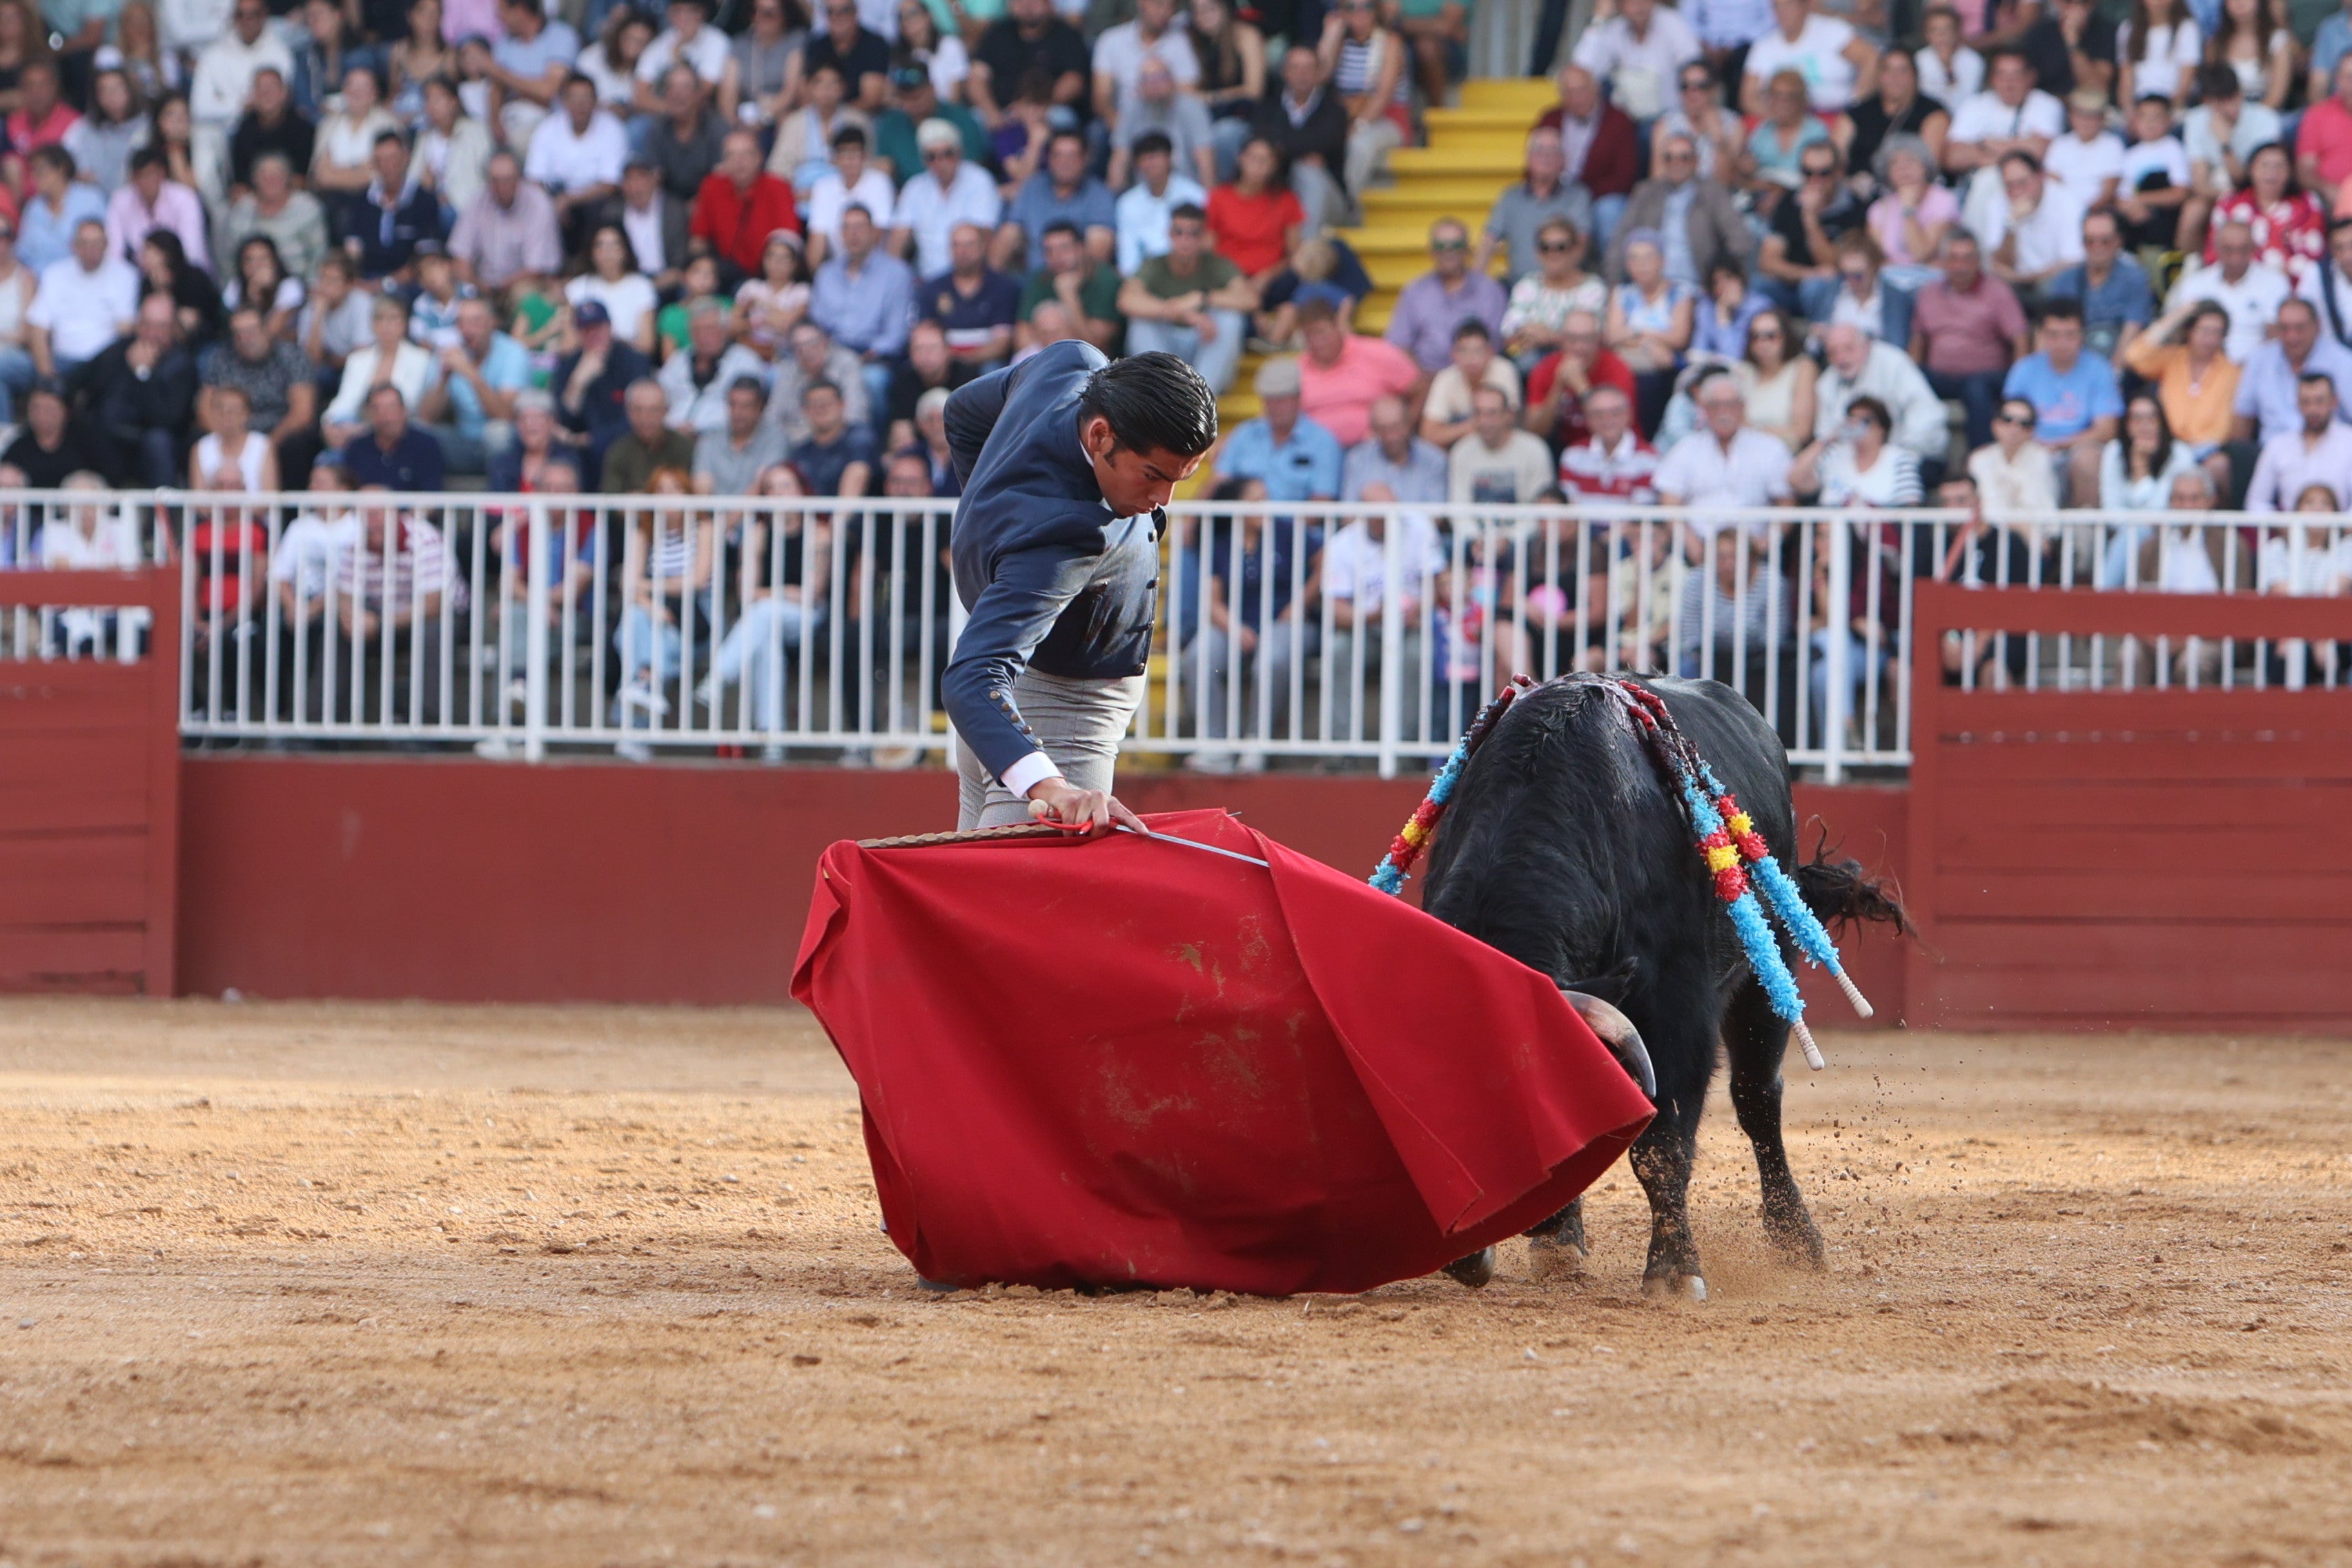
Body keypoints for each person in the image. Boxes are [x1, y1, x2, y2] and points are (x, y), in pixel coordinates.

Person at [941, 344, 1217, 832]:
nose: (1162, 502)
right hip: (1058, 712)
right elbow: (971, 679)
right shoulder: (1059, 539)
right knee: (1023, 904)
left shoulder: (1072, 364)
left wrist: (998, 519)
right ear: (1099, 435)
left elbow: (962, 411)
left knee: (977, 890)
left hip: (1009, 703)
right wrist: (1052, 787)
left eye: (1181, 478)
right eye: (1153, 475)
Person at [1118, 202, 1255, 395]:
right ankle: (1162, 396)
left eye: (1194, 233)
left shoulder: (1218, 264)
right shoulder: (1154, 264)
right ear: (1169, 234)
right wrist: (1182, 313)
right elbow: (1126, 300)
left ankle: (1201, 398)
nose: (1186, 240)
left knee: (1231, 320)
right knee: (1140, 323)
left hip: (1205, 348)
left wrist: (1203, 297)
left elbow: (1250, 299)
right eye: (1179, 232)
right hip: (1166, 349)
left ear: (1204, 237)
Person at [1910, 230, 2030, 450]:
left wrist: (2018, 386)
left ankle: (1980, 458)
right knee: (1910, 380)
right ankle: (1920, 458)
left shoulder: (1997, 291)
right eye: (1953, 258)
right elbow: (1918, 340)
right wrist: (1912, 374)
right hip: (1942, 377)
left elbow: (2020, 338)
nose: (1960, 266)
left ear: (1978, 261)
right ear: (1943, 262)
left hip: (1986, 379)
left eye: (1967, 258)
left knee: (1976, 388)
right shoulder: (1929, 293)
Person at [1607, 130, 1751, 289]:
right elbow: (1620, 239)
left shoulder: (1712, 191)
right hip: (1649, 287)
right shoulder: (1646, 192)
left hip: (1698, 285)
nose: (1676, 163)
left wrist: (1720, 275)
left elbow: (1739, 238)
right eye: (1669, 158)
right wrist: (1615, 284)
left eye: (1684, 158)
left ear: (1696, 161)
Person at [809, 202, 912, 413]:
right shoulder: (826, 274)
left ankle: (871, 443)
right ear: (840, 234)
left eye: (860, 227)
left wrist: (864, 357)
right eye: (847, 227)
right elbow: (816, 325)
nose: (853, 234)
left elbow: (896, 334)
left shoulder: (896, 273)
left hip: (872, 358)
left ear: (874, 232)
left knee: (872, 381)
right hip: (830, 356)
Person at [1808, 320, 1948, 474]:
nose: (1841, 358)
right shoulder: (1826, 384)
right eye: (1833, 352)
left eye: (1848, 348)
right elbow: (1826, 435)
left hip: (1912, 455)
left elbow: (1925, 414)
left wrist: (1891, 457)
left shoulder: (1895, 363)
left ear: (1867, 345)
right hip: (1855, 466)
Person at [202, 304, 321, 483]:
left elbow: (302, 412)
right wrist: (225, 440)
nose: (245, 338)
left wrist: (265, 446)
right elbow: (205, 406)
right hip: (232, 429)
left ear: (265, 330)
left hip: (279, 432)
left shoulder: (291, 356)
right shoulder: (222, 358)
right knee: (197, 438)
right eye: (238, 333)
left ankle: (290, 511)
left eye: (251, 331)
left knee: (298, 444)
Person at [1653, 373, 1796, 519]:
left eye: (1731, 405)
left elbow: (1786, 502)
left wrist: (1764, 542)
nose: (1723, 412)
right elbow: (1669, 503)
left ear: (1742, 407)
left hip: (1753, 539)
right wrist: (1696, 543)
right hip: (1699, 539)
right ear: (1705, 409)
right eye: (1715, 405)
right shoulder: (1685, 449)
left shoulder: (1770, 448)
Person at [414, 295, 529, 471]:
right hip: (462, 439)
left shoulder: (513, 352)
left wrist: (470, 373)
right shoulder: (450, 353)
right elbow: (426, 417)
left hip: (504, 445)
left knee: (498, 432)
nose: (467, 330)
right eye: (461, 323)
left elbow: (505, 415)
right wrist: (443, 379)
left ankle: (499, 493)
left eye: (476, 322)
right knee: (418, 433)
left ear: (492, 323)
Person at [1320, 0, 1410, 218]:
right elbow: (1319, 76)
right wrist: (1329, 37)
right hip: (1346, 117)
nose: (1359, 13)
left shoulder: (1390, 42)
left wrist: (1358, 125)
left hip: (1387, 120)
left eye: (1366, 6)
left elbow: (1383, 95)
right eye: (1351, 7)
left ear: (1376, 11)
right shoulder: (1341, 43)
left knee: (1359, 144)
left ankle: (1346, 208)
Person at [1385, 218, 1509, 378]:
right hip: (1427, 377)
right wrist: (1423, 379)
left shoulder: (1490, 290)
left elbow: (1496, 344)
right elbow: (1399, 345)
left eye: (1455, 246)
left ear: (1467, 250)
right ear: (1431, 251)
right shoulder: (1415, 291)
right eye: (1441, 246)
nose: (1448, 252)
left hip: (1479, 378)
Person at [1536, 65, 1640, 250]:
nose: (1577, 98)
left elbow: (1625, 176)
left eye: (1582, 89)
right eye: (1570, 92)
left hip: (1599, 196)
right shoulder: (1549, 119)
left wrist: (1584, 195)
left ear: (1596, 89)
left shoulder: (1618, 120)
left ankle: (1612, 274)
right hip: (1557, 192)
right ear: (1561, 95)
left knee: (1610, 210)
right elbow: (1535, 161)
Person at [527, 72, 629, 259]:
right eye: (574, 98)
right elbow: (534, 179)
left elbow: (610, 185)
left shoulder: (612, 128)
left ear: (596, 101)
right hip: (555, 195)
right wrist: (554, 203)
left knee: (600, 210)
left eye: (586, 98)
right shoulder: (547, 128)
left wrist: (569, 200)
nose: (580, 104)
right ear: (564, 101)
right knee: (537, 207)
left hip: (594, 199)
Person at [1757, 139, 1865, 317]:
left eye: (1824, 173)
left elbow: (1835, 265)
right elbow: (1767, 262)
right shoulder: (1789, 203)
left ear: (1839, 172)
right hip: (1795, 283)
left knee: (1816, 286)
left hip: (1835, 291)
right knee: (1760, 285)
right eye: (1808, 173)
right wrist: (1808, 274)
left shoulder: (1854, 207)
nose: (1815, 181)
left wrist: (1810, 218)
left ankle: (1817, 340)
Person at [1247, 44, 1349, 231]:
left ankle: (1304, 254)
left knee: (1307, 172)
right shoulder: (1268, 107)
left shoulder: (1335, 110)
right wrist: (1301, 149)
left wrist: (1280, 148)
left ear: (1319, 73)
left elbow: (1326, 140)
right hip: (1279, 192)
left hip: (1330, 199)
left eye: (1309, 67)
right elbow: (1262, 141)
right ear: (1285, 72)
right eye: (1295, 67)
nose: (1302, 74)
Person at [1213, 355, 1342, 500]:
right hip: (1244, 520)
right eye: (1270, 400)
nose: (1275, 407)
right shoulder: (1244, 434)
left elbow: (1323, 500)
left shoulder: (1322, 442)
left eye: (1282, 400)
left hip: (1293, 522)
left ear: (1298, 398)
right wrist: (1189, 522)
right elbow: (1218, 483)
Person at [2206, 141, 2327, 290]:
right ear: (2251, 170)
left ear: (2290, 172)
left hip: (2294, 290)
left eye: (2279, 166)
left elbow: (2315, 254)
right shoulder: (2229, 203)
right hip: (2237, 285)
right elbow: (2214, 252)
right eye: (2264, 165)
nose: (2272, 172)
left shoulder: (2307, 204)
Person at [889, 117, 1000, 279]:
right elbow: (898, 239)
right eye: (932, 156)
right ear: (924, 160)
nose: (940, 162)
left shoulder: (980, 181)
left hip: (969, 277)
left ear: (959, 152)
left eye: (947, 154)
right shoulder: (914, 188)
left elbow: (985, 237)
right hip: (927, 281)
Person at [2231, 297, 2352, 445]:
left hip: (2328, 456)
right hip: (2271, 456)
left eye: (2300, 328)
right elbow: (2243, 417)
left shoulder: (2343, 362)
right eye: (2285, 328)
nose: (2292, 336)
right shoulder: (2260, 359)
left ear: (2317, 326)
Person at [2169, 218, 2292, 363]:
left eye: (2243, 249)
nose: (2236, 257)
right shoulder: (2196, 284)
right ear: (2216, 248)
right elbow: (2183, 335)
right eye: (2229, 250)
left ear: (2253, 248)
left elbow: (2277, 338)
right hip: (2205, 369)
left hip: (2256, 370)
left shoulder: (2275, 283)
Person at [997, 126, 1115, 274]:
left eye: (1072, 156)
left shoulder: (1099, 194)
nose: (1065, 163)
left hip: (1079, 279)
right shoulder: (1033, 186)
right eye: (1058, 156)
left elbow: (1098, 252)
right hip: (1033, 279)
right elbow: (1010, 233)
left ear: (1085, 159)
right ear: (1049, 159)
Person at [335, 130, 445, 282]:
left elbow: (425, 258)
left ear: (405, 158)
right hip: (367, 279)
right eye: (381, 160)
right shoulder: (362, 200)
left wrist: (385, 284)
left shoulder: (423, 200)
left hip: (409, 283)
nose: (387, 166)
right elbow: (353, 252)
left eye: (393, 158)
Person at [1572, 0, 1701, 128]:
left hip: (1669, 119)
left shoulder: (1673, 23)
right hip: (1626, 122)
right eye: (1631, 2)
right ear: (1620, 5)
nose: (1639, 5)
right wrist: (1599, 19)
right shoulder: (1616, 29)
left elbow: (1697, 70)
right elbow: (1581, 71)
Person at [690, 126, 800, 277]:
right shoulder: (711, 187)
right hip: (725, 272)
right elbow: (699, 239)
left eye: (746, 155)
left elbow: (788, 239)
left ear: (759, 158)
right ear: (724, 162)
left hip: (770, 273)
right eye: (731, 156)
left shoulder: (778, 187)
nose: (739, 162)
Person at [1523, 307, 1639, 451]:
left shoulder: (1617, 368)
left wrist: (1583, 389)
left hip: (1613, 449)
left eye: (1587, 339)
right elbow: (1535, 432)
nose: (1580, 347)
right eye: (1572, 339)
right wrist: (1558, 387)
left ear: (1598, 339)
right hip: (1564, 447)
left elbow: (1615, 431)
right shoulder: (1545, 369)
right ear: (1561, 340)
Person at [2046, 207, 2153, 361]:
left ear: (2119, 241)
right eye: (2090, 241)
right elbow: (2051, 330)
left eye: (2105, 241)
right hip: (2073, 365)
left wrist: (2113, 375)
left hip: (2118, 366)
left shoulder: (2135, 279)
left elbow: (2132, 332)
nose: (2097, 247)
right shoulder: (2065, 281)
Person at [1740, 0, 1875, 116]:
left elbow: (1871, 59)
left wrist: (1855, 105)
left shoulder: (1831, 30)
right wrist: (1783, 118)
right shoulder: (1764, 45)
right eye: (1777, 6)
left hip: (1835, 115)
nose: (1782, 12)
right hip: (1785, 125)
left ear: (1804, 6)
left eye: (1789, 5)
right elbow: (1748, 98)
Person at [219, 152, 332, 288]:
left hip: (300, 287)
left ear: (288, 179)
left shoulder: (308, 209)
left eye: (276, 175)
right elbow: (229, 257)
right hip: (250, 289)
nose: (271, 180)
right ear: (254, 179)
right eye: (264, 176)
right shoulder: (242, 210)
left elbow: (319, 257)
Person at [2244, 371, 2352, 509]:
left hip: (2343, 529)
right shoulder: (2278, 445)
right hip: (2289, 528)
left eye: (2320, 401)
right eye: (2306, 402)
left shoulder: (2350, 442)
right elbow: (2256, 501)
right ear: (2297, 403)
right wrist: (2282, 526)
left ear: (2334, 401)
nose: (2313, 409)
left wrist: (2342, 528)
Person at [1113, 130, 1209, 275]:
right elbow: (1128, 254)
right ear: (1137, 164)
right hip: (1146, 276)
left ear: (1170, 158)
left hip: (1189, 271)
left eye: (1155, 157)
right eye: (1144, 159)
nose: (1150, 164)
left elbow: (1203, 241)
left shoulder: (1196, 195)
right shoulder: (1127, 203)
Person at [108, 144, 212, 273]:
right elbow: (114, 252)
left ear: (162, 174)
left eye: (150, 174)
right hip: (140, 275)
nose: (146, 181)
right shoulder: (120, 200)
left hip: (184, 273)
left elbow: (192, 251)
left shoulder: (185, 198)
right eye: (140, 176)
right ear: (133, 179)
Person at [805, 125, 896, 268]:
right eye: (844, 155)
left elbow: (878, 233)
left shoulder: (880, 182)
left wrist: (858, 270)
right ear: (834, 159)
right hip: (837, 267)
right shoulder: (823, 187)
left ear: (865, 156)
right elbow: (817, 238)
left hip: (875, 265)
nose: (849, 161)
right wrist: (815, 277)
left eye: (854, 154)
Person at [766, 318, 870, 442]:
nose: (807, 352)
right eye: (799, 348)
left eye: (813, 344)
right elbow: (772, 417)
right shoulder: (788, 370)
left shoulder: (847, 362)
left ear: (825, 342)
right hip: (798, 441)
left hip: (841, 438)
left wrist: (824, 433)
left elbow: (856, 413)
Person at [1447, 384, 1554, 504]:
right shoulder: (1461, 451)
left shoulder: (1535, 450)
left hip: (1527, 524)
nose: (1483, 421)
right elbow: (1459, 508)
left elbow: (1540, 508)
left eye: (1491, 413)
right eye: (1478, 413)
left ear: (1508, 415)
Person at [1737, 304, 1818, 451]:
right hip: (1744, 455)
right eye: (1756, 337)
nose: (1763, 343)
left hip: (1786, 456)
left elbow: (1801, 432)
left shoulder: (1802, 368)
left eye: (1771, 336)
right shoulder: (1743, 371)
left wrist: (1752, 430)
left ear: (1785, 336)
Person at [1343, 391, 1447, 504]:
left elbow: (1437, 516)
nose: (1391, 436)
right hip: (1369, 522)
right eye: (1383, 429)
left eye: (1396, 427)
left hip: (1418, 523)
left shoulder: (1434, 460)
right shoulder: (1357, 459)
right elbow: (1348, 516)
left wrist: (1391, 509)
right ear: (1373, 429)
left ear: (1408, 423)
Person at [693, 373, 787, 494]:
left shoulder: (775, 439)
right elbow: (702, 484)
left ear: (760, 408)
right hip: (712, 512)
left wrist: (731, 514)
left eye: (745, 406)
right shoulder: (710, 439)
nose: (737, 413)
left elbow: (760, 485)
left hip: (755, 513)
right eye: (733, 405)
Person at [2296, 53, 2352, 213]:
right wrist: (2326, 188)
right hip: (2329, 202)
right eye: (2349, 77)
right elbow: (2305, 171)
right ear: (2338, 80)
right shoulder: (2317, 115)